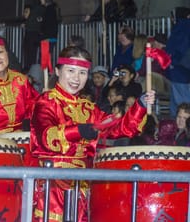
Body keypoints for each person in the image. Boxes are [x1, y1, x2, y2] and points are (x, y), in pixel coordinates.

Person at [30, 45, 153, 222]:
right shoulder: (46, 102)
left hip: (84, 184)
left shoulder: (88, 108)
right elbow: (46, 136)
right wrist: (79, 130)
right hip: (54, 184)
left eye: (82, 72)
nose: (76, 78)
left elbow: (118, 127)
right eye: (71, 71)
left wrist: (139, 106)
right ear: (58, 71)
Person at [165, 6, 190, 118]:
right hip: (182, 68)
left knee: (180, 98)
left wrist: (172, 59)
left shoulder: (182, 26)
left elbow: (180, 46)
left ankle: (182, 123)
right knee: (178, 96)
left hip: (178, 69)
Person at [22, 0, 44, 71]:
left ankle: (30, 67)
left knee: (31, 52)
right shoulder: (28, 21)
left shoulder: (35, 14)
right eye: (24, 12)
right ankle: (27, 67)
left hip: (33, 35)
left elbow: (42, 4)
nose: (24, 14)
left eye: (26, 12)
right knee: (27, 51)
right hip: (29, 34)